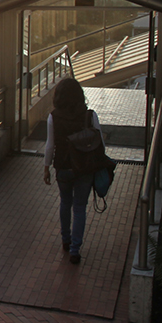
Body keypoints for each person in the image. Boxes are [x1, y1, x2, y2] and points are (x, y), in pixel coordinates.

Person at [43, 77, 101, 264]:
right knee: (80, 207)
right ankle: (75, 250)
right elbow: (100, 142)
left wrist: (46, 168)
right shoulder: (90, 116)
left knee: (65, 202)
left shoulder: (53, 117)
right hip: (84, 168)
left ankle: (65, 239)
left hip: (63, 166)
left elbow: (50, 145)